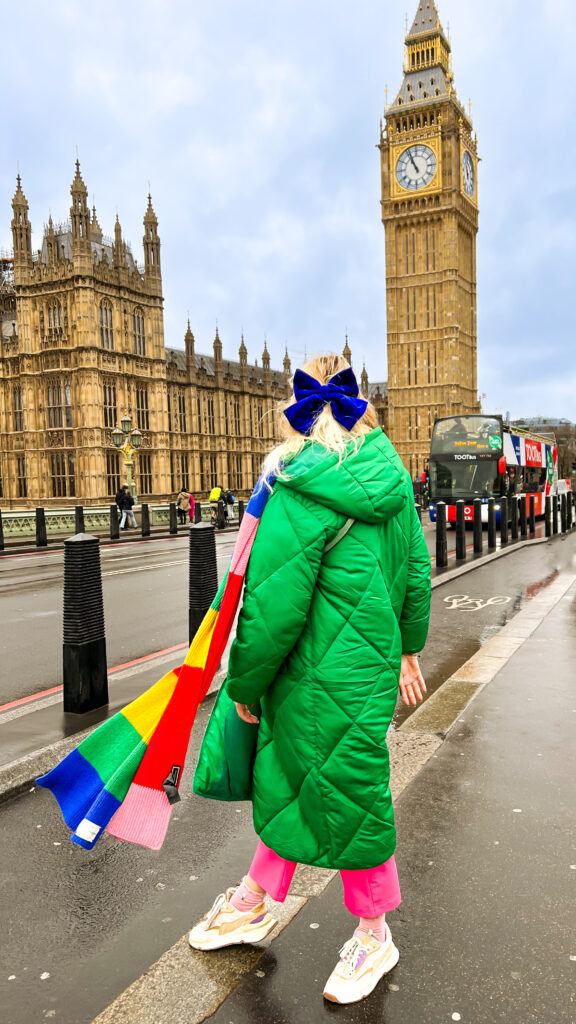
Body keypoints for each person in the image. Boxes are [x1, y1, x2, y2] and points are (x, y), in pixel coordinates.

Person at [189, 354, 431, 1005]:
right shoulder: (395, 478)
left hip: (304, 679)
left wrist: (243, 688)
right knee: (304, 783)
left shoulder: (295, 490)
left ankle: (375, 934)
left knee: (350, 799)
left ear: (297, 414)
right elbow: (414, 573)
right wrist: (409, 651)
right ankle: (255, 900)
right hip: (369, 671)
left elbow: (272, 610)